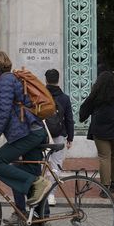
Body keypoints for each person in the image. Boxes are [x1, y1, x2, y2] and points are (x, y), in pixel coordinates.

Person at [0, 50, 50, 226]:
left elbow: (3, 113)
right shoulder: (9, 79)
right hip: (33, 131)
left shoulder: (4, 81)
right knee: (31, 173)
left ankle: (37, 184)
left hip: (28, 133)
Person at [79, 69, 114, 196]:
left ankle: (105, 187)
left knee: (104, 157)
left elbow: (83, 112)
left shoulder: (95, 95)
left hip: (100, 131)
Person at [43, 68, 74, 205]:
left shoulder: (41, 95)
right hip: (59, 134)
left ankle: (41, 193)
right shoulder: (64, 98)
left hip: (43, 134)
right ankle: (51, 195)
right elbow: (69, 119)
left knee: (42, 165)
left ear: (46, 80)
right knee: (56, 165)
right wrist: (70, 137)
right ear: (58, 79)